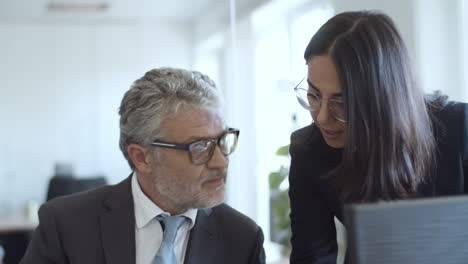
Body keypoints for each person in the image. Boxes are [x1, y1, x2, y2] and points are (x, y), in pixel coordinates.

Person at [21, 67, 266, 264]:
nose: (221, 161)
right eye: (200, 147)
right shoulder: (65, 224)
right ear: (142, 157)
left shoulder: (243, 238)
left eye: (223, 141)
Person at [288, 10, 468, 264]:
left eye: (342, 102)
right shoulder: (309, 150)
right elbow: (312, 256)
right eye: (314, 94)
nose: (322, 117)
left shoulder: (460, 128)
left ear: (383, 98)